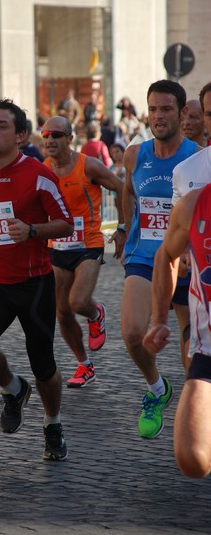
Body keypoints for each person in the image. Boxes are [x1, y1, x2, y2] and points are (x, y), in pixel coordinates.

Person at [0, 98, 73, 461]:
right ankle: (13, 388)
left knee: (44, 366)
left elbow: (66, 222)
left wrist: (33, 229)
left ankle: (52, 424)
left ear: (21, 135)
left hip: (34, 284)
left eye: (2, 126)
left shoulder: (39, 174)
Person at [121, 79, 200, 440]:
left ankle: (197, 423)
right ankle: (156, 389)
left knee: (192, 359)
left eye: (166, 109)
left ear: (182, 112)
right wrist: (124, 229)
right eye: (152, 109)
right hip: (145, 257)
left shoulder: (197, 158)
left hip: (187, 263)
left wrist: (190, 250)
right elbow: (126, 190)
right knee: (134, 332)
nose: (158, 116)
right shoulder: (134, 155)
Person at [42, 115, 126, 387]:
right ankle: (84, 365)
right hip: (58, 245)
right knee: (63, 313)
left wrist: (123, 227)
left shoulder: (88, 165)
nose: (50, 140)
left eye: (56, 135)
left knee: (78, 302)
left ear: (69, 138)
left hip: (89, 243)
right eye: (45, 135)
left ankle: (95, 313)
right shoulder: (42, 170)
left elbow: (120, 187)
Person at [143, 184, 211, 478]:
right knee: (191, 458)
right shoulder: (194, 203)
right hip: (207, 350)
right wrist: (159, 319)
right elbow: (165, 255)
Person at [172, 83, 211, 206]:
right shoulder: (183, 170)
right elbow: (177, 224)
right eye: (210, 114)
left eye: (193, 117)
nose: (187, 123)